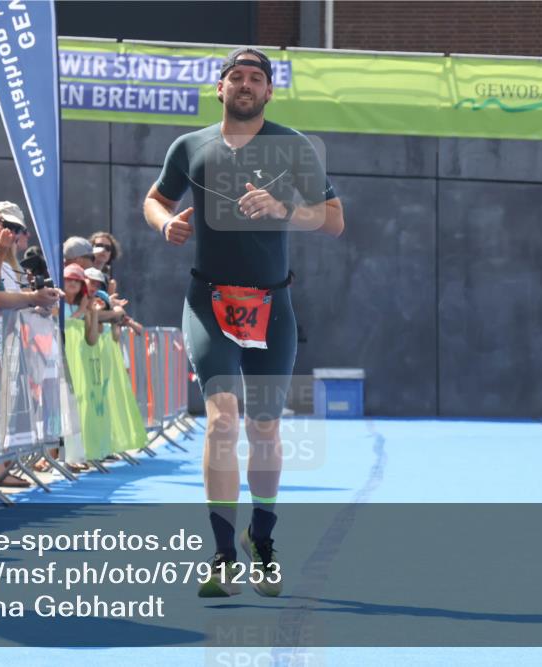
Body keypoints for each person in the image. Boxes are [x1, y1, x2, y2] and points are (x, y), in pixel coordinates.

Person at [142, 47, 345, 597]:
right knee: (223, 418)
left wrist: (285, 210)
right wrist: (165, 225)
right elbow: (155, 199)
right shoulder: (191, 146)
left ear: (270, 91)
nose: (247, 84)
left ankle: (263, 535)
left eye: (257, 77)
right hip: (208, 299)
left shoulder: (291, 146)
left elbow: (332, 220)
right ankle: (224, 553)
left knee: (264, 428)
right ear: (221, 88)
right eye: (237, 77)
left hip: (272, 306)